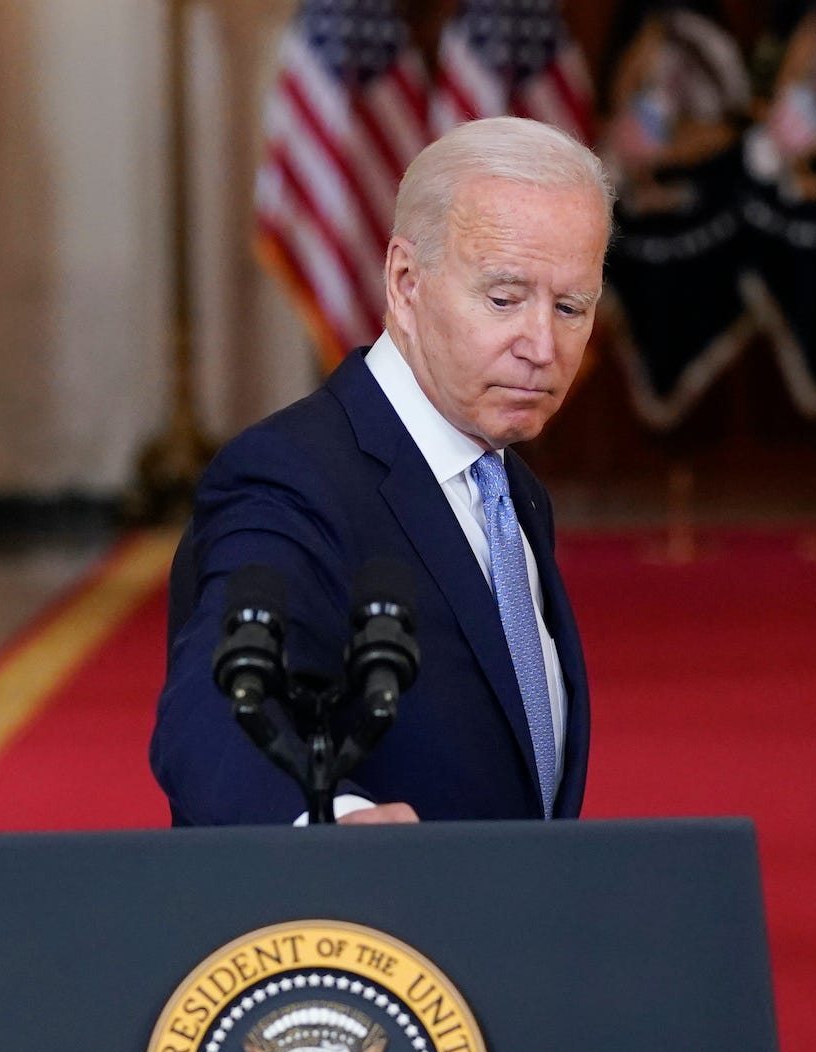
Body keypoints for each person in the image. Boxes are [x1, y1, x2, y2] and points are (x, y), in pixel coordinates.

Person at [152, 116, 612, 826]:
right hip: (357, 927)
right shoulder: (290, 476)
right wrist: (325, 830)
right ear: (405, 281)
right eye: (504, 298)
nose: (542, 345)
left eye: (571, 306)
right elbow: (213, 718)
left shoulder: (512, 490)